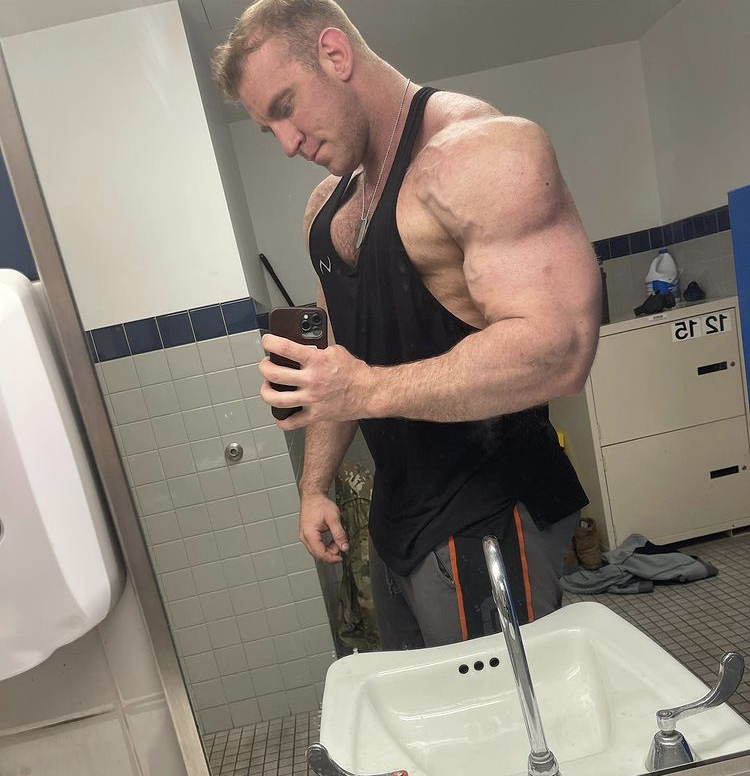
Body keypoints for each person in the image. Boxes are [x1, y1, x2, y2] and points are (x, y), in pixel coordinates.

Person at [212, 0, 601, 650]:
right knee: (427, 710)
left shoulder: (480, 152)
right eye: (267, 128)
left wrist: (364, 389)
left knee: (503, 714)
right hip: (397, 528)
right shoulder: (327, 207)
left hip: (489, 519)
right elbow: (338, 358)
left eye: (286, 106)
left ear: (335, 54)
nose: (287, 143)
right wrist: (314, 487)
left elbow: (559, 351)